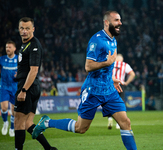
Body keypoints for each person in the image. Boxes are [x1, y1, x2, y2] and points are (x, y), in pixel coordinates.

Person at [32, 11, 137, 150]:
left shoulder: (113, 40)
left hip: (109, 90)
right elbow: (88, 66)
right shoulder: (97, 40)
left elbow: (107, 66)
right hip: (93, 90)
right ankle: (47, 123)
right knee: (80, 128)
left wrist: (112, 79)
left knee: (126, 123)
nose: (120, 23)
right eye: (117, 20)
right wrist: (106, 63)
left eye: (120, 20)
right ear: (106, 22)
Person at [14, 17, 57, 150]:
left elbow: (34, 70)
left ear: (33, 29)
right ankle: (49, 148)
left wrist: (24, 90)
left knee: (18, 122)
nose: (24, 31)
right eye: (22, 28)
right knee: (28, 124)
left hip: (28, 87)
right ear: (19, 29)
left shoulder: (34, 45)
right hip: (32, 86)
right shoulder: (24, 44)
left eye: (27, 28)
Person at [108, 53, 135, 129]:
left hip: (111, 84)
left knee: (109, 102)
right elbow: (132, 74)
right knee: (120, 102)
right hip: (121, 84)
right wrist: (127, 82)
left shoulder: (111, 63)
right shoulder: (125, 64)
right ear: (122, 59)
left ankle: (110, 118)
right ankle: (119, 123)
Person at [0, 40, 18, 137]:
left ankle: (12, 128)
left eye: (9, 47)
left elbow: (24, 72)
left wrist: (18, 75)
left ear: (14, 49)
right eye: (7, 47)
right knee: (4, 107)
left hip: (15, 87)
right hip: (4, 87)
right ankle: (5, 122)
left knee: (14, 111)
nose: (8, 49)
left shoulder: (19, 59)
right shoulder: (2, 59)